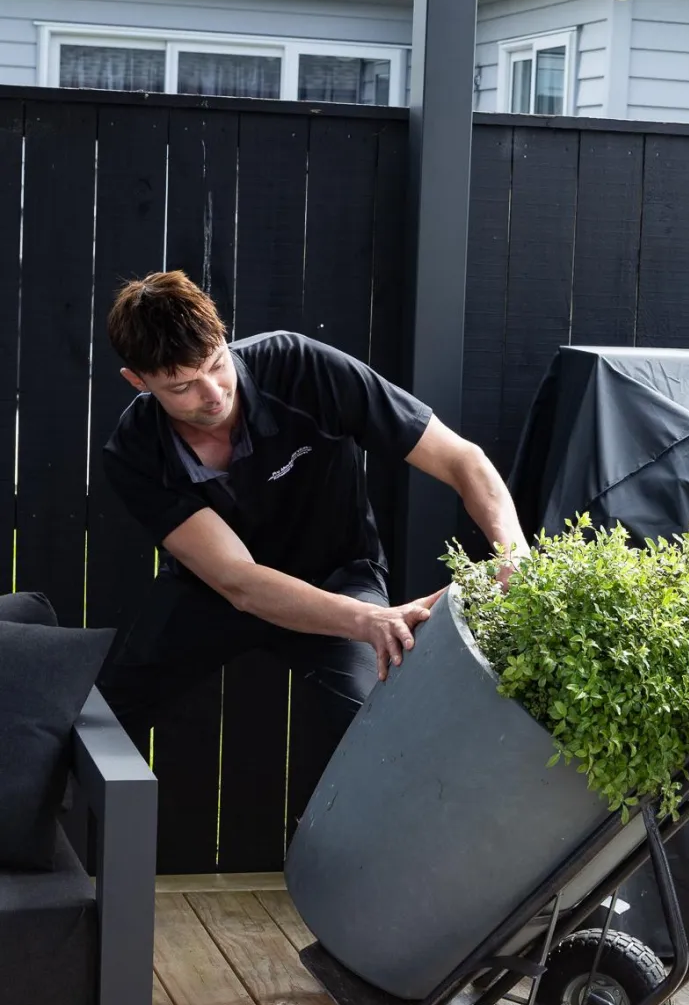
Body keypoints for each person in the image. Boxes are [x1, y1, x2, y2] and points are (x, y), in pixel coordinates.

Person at [99, 270, 527, 769]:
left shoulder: (301, 366)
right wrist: (375, 621)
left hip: (338, 574)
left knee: (371, 730)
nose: (213, 394)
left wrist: (512, 552)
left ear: (223, 336)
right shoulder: (133, 451)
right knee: (104, 720)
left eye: (217, 364)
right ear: (138, 380)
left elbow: (462, 459)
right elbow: (239, 582)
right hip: (214, 593)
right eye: (182, 387)